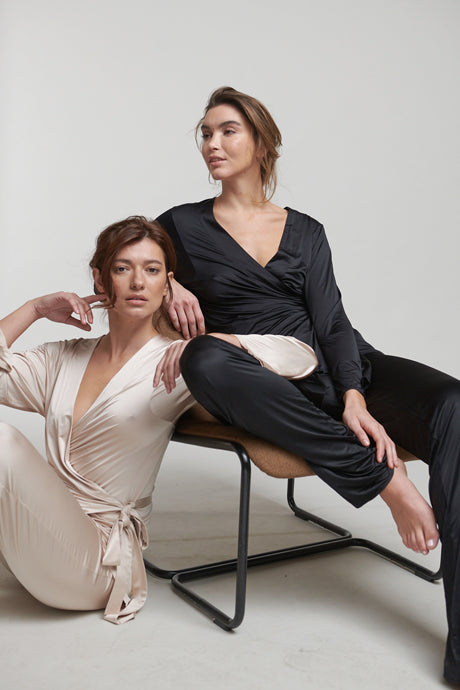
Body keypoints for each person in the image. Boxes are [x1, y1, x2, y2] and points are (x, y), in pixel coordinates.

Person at [154, 87, 460, 684]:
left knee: (454, 404)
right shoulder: (179, 226)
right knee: (205, 359)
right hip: (262, 383)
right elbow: (118, 268)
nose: (211, 143)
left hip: (343, 366)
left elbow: (333, 323)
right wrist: (169, 281)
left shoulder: (306, 231)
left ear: (261, 143)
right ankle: (385, 481)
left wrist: (354, 395)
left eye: (227, 131)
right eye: (205, 133)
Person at [0, 215, 316, 625]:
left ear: (167, 284)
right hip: (35, 540)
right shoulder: (63, 357)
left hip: (96, 565)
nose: (137, 282)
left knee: (3, 441)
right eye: (122, 268)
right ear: (100, 279)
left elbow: (301, 357)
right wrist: (34, 309)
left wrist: (213, 345)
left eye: (151, 270)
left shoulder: (176, 362)